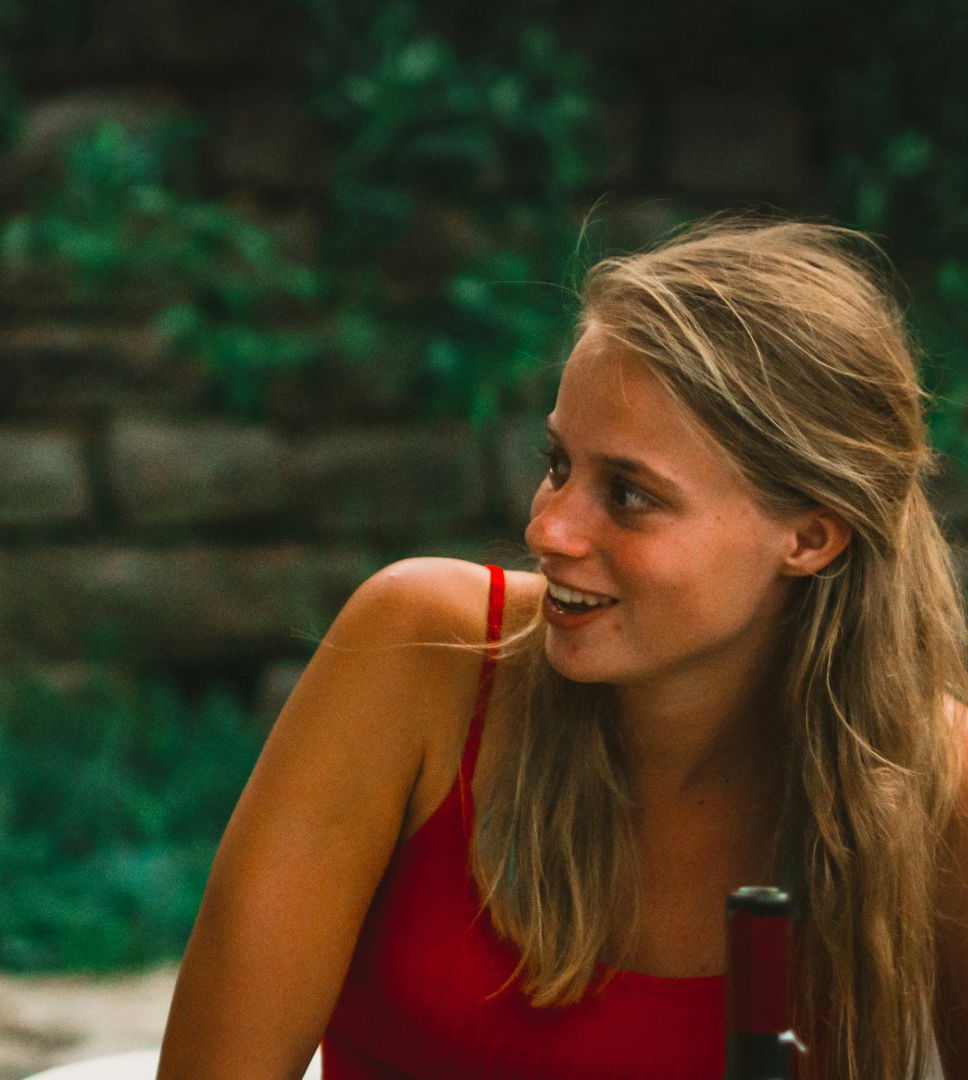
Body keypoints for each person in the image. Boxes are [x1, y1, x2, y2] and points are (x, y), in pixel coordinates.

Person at [159, 220, 968, 1079]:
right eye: (557, 465)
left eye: (630, 495)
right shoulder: (420, 654)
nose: (547, 529)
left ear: (809, 537)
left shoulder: (928, 785)